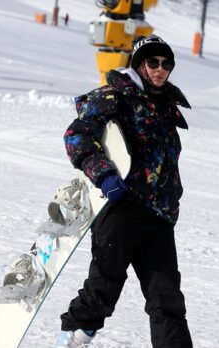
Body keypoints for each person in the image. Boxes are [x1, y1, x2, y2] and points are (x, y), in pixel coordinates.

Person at [56, 34, 193, 348]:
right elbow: (77, 135)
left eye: (167, 64)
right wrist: (104, 176)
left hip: (159, 217)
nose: (160, 69)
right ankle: (71, 337)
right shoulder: (117, 95)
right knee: (103, 289)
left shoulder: (167, 107)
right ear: (140, 64)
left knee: (167, 299)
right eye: (153, 62)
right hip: (122, 208)